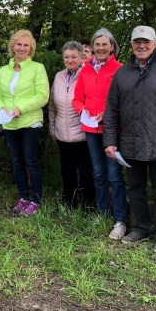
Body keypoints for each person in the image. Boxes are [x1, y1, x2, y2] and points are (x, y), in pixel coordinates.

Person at [104, 26, 156, 253]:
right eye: (137, 42)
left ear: (155, 44)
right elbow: (111, 110)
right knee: (136, 187)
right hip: (130, 142)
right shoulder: (122, 73)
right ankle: (141, 228)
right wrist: (109, 141)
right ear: (131, 44)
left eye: (146, 42)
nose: (142, 46)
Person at [72, 28, 128, 239]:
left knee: (114, 175)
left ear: (112, 46)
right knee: (98, 173)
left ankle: (120, 219)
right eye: (97, 45)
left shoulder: (120, 69)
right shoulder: (85, 69)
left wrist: (108, 114)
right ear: (92, 48)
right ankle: (103, 213)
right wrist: (82, 110)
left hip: (112, 130)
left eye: (105, 44)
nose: (101, 48)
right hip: (91, 130)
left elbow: (126, 101)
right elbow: (77, 98)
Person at [0, 29, 50, 216]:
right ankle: (23, 197)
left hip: (30, 121)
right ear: (13, 47)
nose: (22, 48)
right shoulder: (3, 70)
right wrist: (2, 109)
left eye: (26, 45)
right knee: (17, 162)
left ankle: (36, 200)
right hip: (9, 123)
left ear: (31, 49)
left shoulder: (37, 68)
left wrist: (20, 109)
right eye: (19, 44)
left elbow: (42, 96)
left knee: (30, 161)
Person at [48, 41, 94, 209]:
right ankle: (69, 203)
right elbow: (52, 105)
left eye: (74, 56)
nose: (70, 60)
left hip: (82, 134)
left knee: (86, 173)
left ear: (82, 56)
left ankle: (88, 205)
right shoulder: (59, 76)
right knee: (66, 172)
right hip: (62, 133)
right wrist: (53, 130)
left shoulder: (88, 74)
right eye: (66, 57)